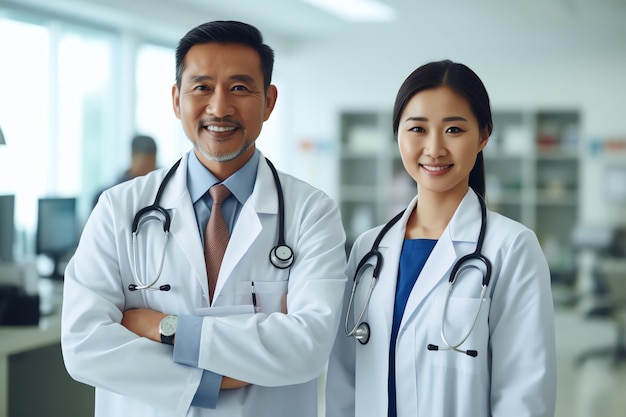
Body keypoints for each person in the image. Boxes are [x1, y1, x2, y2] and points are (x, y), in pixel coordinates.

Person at [61, 20, 347, 417]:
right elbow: (84, 346)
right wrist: (213, 380)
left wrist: (163, 327)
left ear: (269, 101)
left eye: (240, 88)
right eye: (202, 87)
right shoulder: (119, 208)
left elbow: (307, 348)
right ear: (177, 99)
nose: (219, 107)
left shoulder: (311, 212)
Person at [325, 60, 556, 417]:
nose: (434, 148)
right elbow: (344, 379)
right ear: (398, 135)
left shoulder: (512, 248)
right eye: (417, 128)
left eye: (453, 130)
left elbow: (524, 393)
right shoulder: (369, 249)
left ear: (483, 136)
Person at [92, 134, 158, 207]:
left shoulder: (161, 192)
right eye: (145, 163)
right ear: (133, 157)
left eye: (152, 162)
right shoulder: (107, 196)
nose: (149, 168)